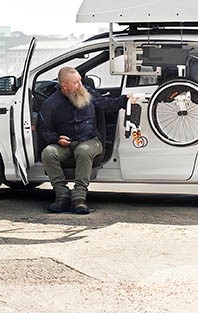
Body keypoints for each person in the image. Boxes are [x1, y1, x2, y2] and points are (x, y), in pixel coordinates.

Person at [39, 66, 135, 214]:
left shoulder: (87, 92)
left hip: (90, 141)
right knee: (48, 153)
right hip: (66, 144)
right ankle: (62, 195)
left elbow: (106, 103)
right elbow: (43, 130)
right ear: (64, 85)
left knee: (83, 151)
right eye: (76, 82)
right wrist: (56, 139)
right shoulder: (51, 104)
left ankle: (79, 198)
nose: (80, 85)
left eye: (80, 81)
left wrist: (125, 100)